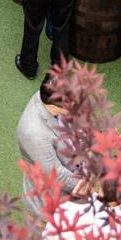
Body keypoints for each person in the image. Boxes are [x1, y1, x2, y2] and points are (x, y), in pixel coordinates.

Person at [17, 72, 86, 219]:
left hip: (76, 183)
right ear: (54, 108)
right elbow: (56, 174)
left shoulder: (54, 96)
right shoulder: (33, 134)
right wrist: (85, 186)